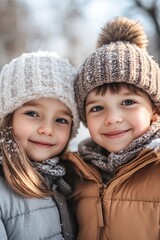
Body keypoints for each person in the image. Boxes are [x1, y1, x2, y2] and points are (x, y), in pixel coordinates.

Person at [64, 17, 160, 240]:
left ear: (155, 110)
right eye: (98, 107)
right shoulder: (78, 174)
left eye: (128, 102)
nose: (112, 118)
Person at [0, 50, 80, 240]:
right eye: (33, 114)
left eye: (61, 120)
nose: (47, 129)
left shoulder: (69, 182)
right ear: (7, 118)